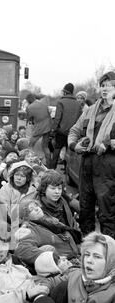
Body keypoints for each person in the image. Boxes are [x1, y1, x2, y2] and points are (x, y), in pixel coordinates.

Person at [68, 71, 115, 238]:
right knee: (85, 207)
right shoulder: (90, 110)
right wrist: (74, 145)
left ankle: (109, 251)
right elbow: (74, 130)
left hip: (108, 166)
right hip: (87, 163)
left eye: (110, 86)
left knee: (107, 211)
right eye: (103, 85)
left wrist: (108, 144)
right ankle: (86, 246)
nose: (105, 89)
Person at [14, 199, 80, 272]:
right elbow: (21, 250)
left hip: (78, 257)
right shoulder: (29, 230)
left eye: (36, 205)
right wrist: (52, 258)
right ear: (25, 217)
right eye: (31, 209)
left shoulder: (48, 219)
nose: (36, 208)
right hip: (66, 266)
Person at [50, 82, 82, 169]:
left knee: (57, 149)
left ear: (65, 92)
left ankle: (52, 169)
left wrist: (53, 130)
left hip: (61, 131)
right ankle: (67, 169)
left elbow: (57, 118)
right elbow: (80, 119)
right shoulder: (78, 104)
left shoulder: (61, 102)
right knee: (69, 151)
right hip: (73, 132)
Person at [25, 93, 52, 167]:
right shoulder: (43, 104)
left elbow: (29, 118)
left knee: (30, 145)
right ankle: (49, 165)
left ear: (28, 100)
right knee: (45, 147)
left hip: (39, 128)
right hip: (48, 126)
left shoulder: (29, 107)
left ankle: (30, 161)